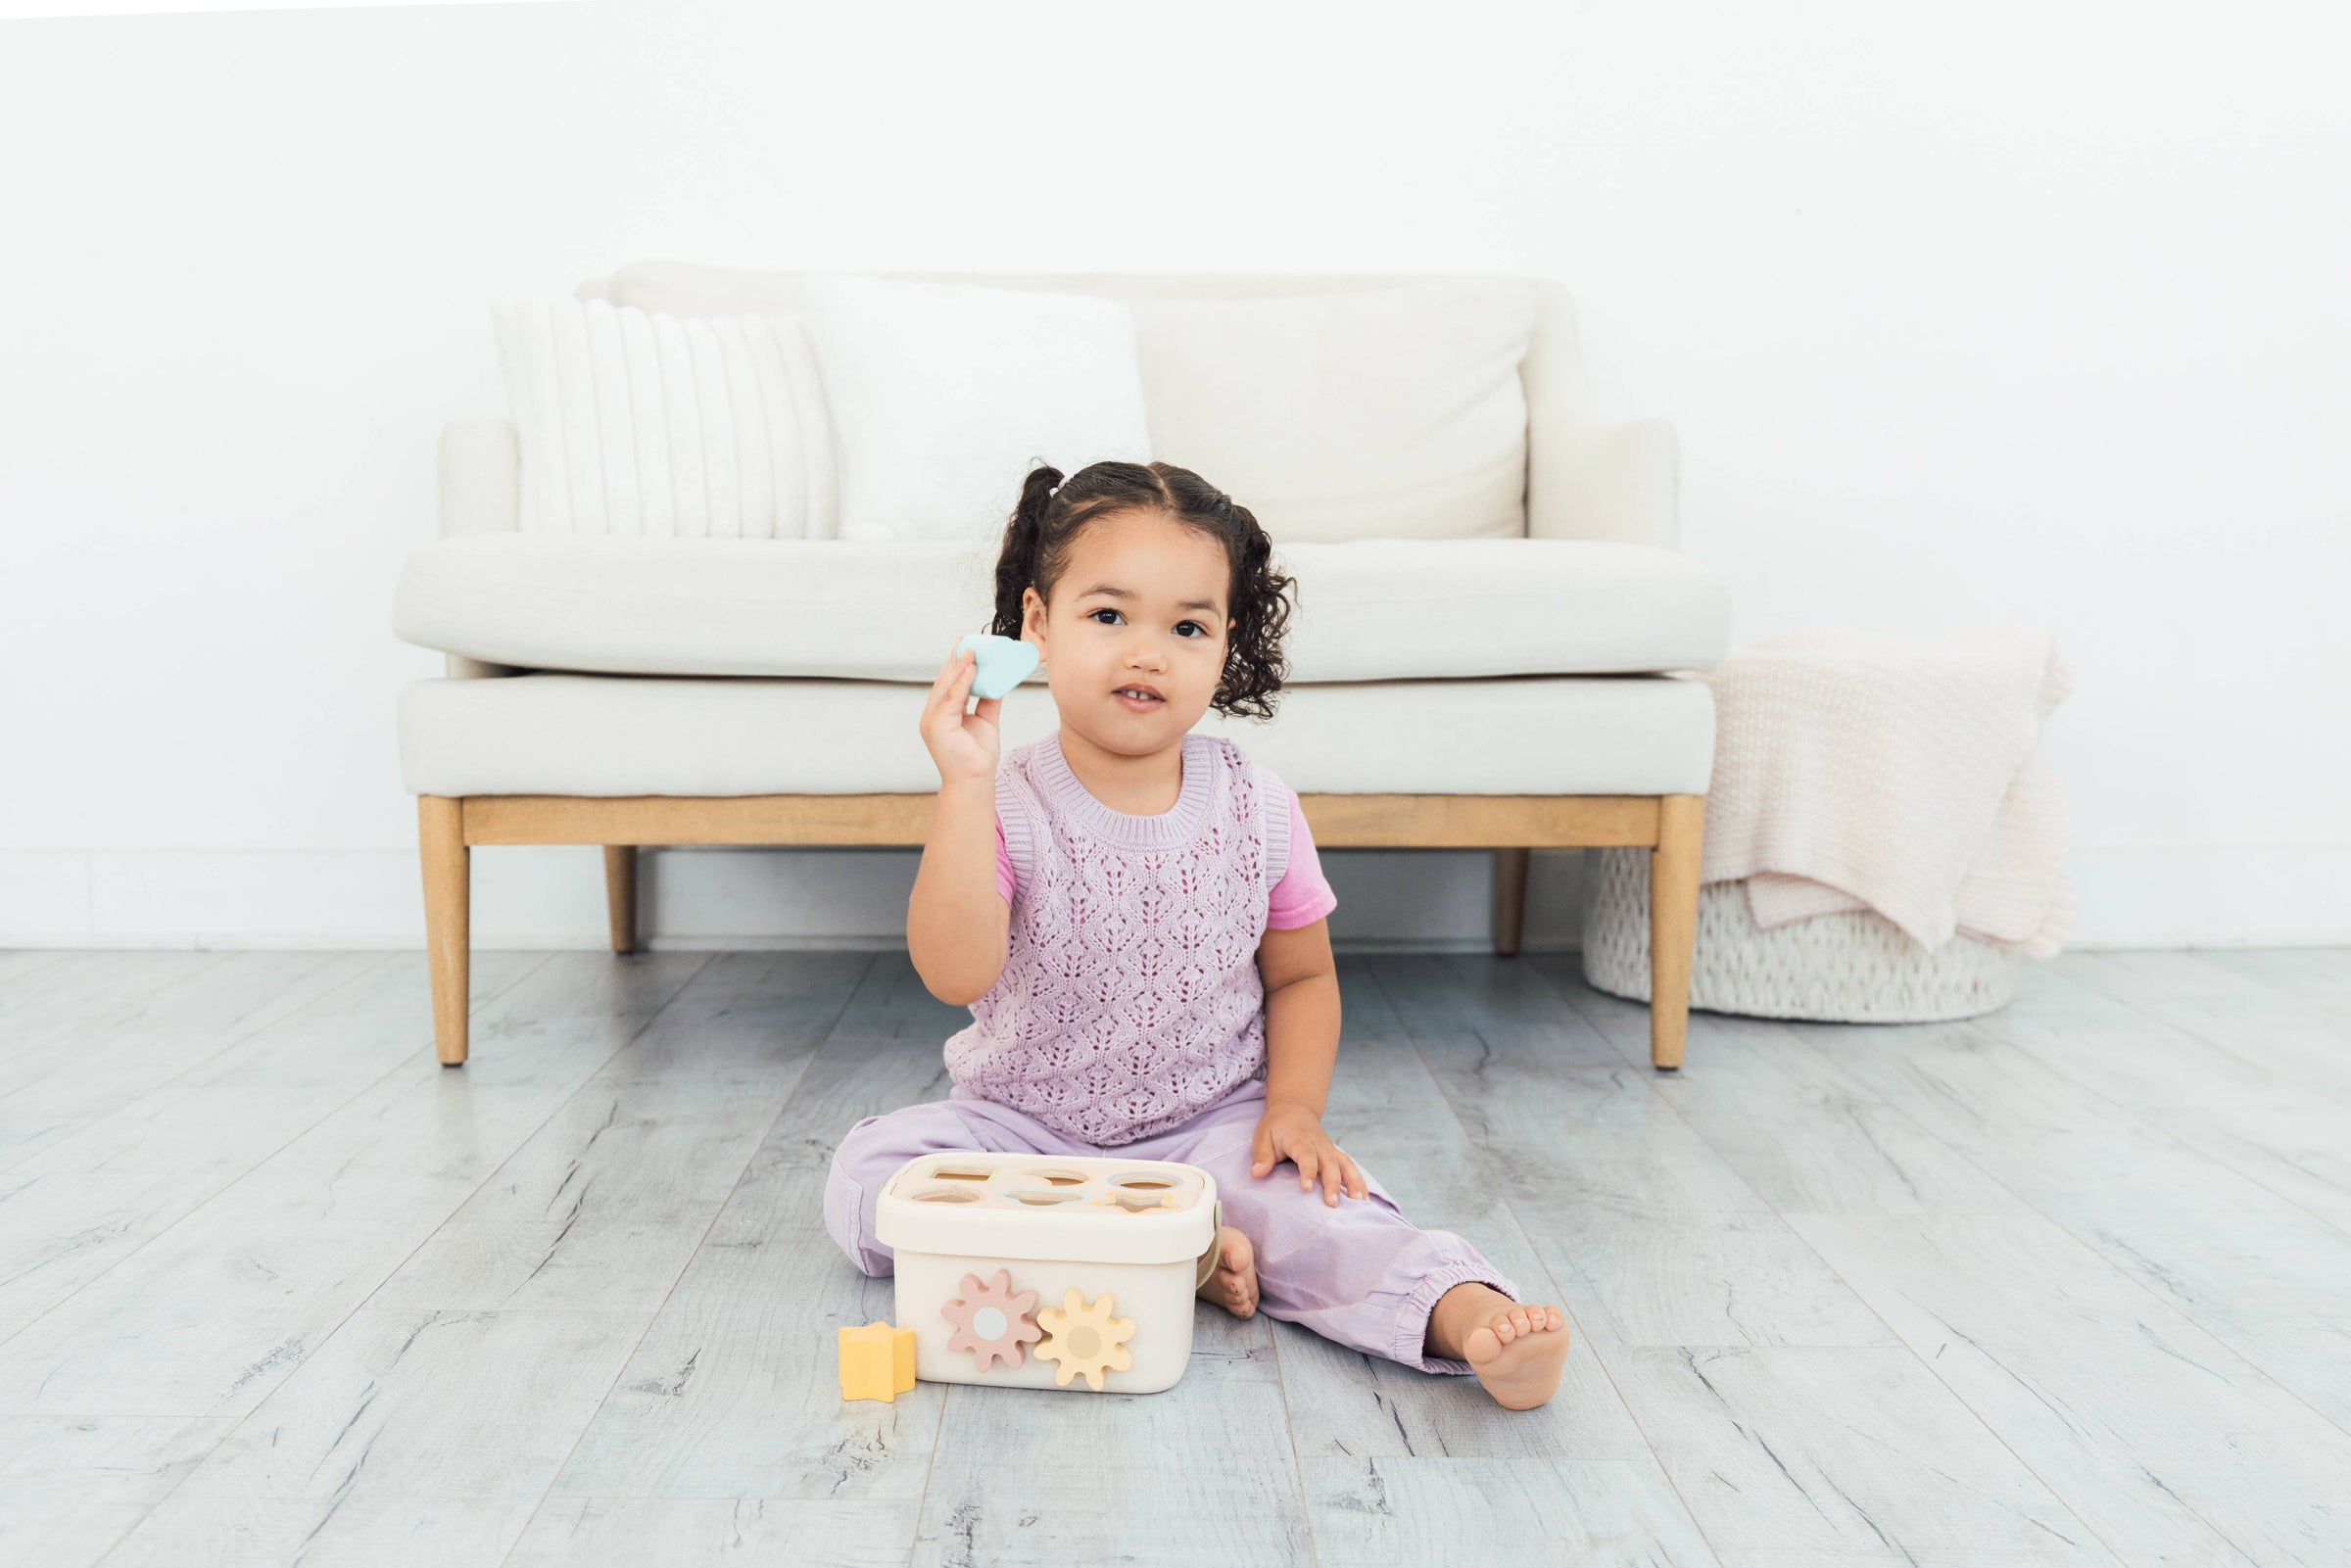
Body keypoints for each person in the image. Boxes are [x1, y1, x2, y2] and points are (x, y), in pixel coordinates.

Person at [821, 458, 1569, 1407]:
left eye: (1187, 626)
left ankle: (1461, 1311)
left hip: (1209, 1136)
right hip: (1021, 1135)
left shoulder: (1258, 806)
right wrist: (964, 784)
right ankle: (1176, 1257)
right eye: (1108, 615)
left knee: (1328, 1215)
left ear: (1226, 646)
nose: (1147, 651)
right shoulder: (1002, 799)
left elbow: (1303, 978)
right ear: (1037, 625)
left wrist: (1290, 1110)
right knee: (866, 1178)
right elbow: (953, 967)